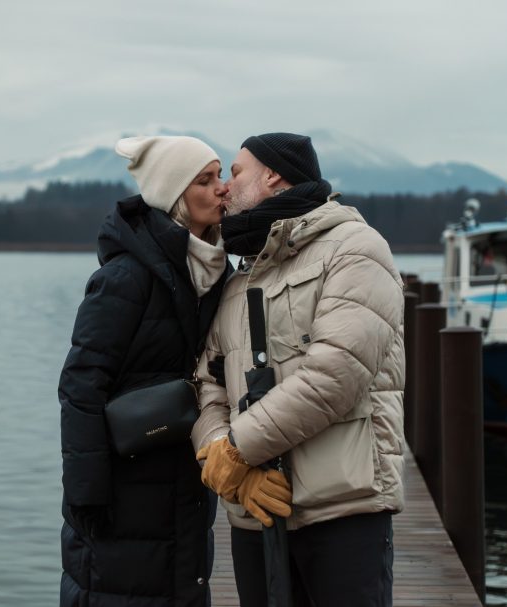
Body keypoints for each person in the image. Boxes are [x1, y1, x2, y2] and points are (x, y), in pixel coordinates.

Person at [192, 133, 406, 606]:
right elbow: (208, 385)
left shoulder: (355, 248)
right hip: (255, 513)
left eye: (235, 172)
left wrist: (237, 448)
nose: (225, 187)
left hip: (342, 512)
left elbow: (336, 374)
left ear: (273, 175)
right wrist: (222, 460)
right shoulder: (240, 276)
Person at [59, 135, 233, 607]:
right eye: (205, 180)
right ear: (175, 195)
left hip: (185, 484)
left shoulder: (214, 275)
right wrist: (87, 493)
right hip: (122, 492)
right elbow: (80, 384)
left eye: (221, 175)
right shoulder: (125, 278)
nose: (222, 188)